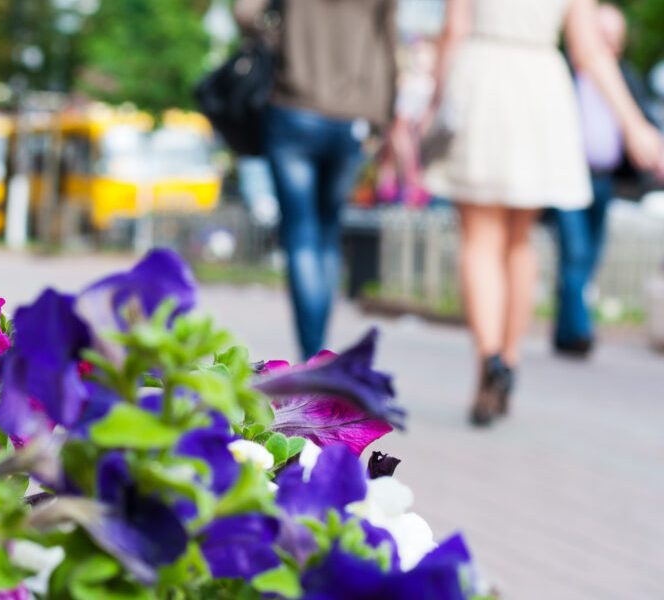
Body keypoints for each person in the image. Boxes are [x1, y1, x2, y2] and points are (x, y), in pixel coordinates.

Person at [424, 0, 664, 426]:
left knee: (480, 240)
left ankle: (489, 359)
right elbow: (589, 49)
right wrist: (634, 124)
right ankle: (510, 361)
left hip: (481, 79)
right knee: (520, 240)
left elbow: (454, 30)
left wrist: (434, 105)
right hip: (540, 85)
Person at [235, 0, 399, 360]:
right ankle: (319, 351)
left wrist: (277, 40)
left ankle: (311, 351)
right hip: (352, 115)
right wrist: (388, 117)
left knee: (301, 235)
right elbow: (388, 42)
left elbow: (245, 11)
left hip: (293, 107)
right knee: (328, 232)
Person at [553, 4, 658, 358]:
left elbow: (642, 119)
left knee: (589, 257)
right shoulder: (561, 74)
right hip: (568, 178)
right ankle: (581, 330)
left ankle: (565, 329)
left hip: (605, 180)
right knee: (576, 252)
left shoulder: (625, 78)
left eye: (614, 39)